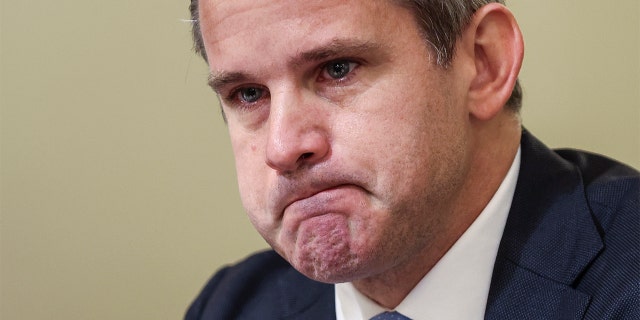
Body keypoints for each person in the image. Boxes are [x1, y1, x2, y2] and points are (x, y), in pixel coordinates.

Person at [184, 0, 639, 319]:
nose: (281, 148)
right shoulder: (233, 307)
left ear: (485, 64)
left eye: (337, 68)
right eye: (247, 95)